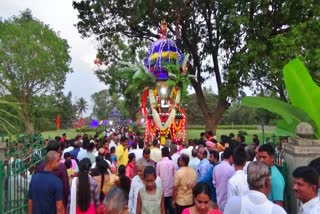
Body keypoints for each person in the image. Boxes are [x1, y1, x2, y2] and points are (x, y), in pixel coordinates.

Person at [36, 140, 70, 207]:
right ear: (57, 151)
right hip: (57, 201)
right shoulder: (61, 166)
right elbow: (65, 186)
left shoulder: (40, 165)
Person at [212, 146, 235, 211]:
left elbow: (214, 184)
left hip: (219, 201)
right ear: (231, 157)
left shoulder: (216, 168)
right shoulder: (231, 169)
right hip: (228, 203)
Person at [157, 147, 176, 214]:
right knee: (171, 210)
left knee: (163, 210)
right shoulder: (172, 163)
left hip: (162, 191)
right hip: (171, 191)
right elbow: (175, 177)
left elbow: (157, 178)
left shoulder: (159, 164)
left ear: (162, 154)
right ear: (168, 154)